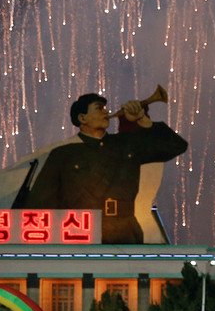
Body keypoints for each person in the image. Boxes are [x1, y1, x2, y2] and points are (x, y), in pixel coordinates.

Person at [22, 93, 189, 244]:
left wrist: (144, 121)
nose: (106, 112)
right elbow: (39, 202)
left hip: (125, 231)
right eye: (99, 108)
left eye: (105, 108)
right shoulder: (63, 154)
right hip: (79, 232)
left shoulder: (125, 144)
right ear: (82, 118)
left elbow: (176, 146)